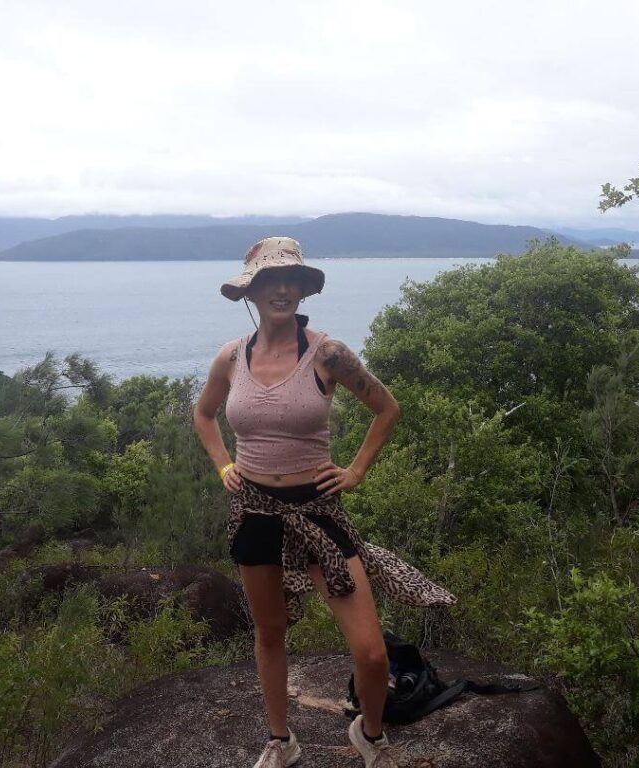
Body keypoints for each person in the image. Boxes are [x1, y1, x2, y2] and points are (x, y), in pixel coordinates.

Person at [193, 236, 456, 768]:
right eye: (270, 280)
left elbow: (386, 408)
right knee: (269, 633)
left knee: (371, 650)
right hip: (255, 512)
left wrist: (356, 470)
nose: (282, 288)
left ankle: (372, 736)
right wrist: (224, 464)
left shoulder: (328, 353)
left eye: (290, 279)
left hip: (318, 511)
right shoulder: (230, 357)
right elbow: (204, 415)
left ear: (303, 287)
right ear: (253, 290)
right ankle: (279, 739)